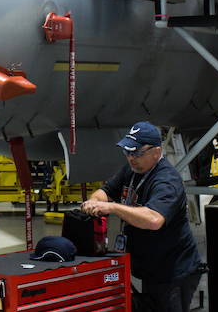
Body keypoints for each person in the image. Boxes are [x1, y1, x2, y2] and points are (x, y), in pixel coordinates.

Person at [81, 121, 202, 312]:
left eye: (136, 153)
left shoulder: (167, 181)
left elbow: (154, 219)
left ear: (156, 152)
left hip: (172, 272)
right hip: (150, 268)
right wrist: (94, 202)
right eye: (127, 151)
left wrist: (113, 208)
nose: (130, 157)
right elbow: (106, 191)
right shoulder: (131, 170)